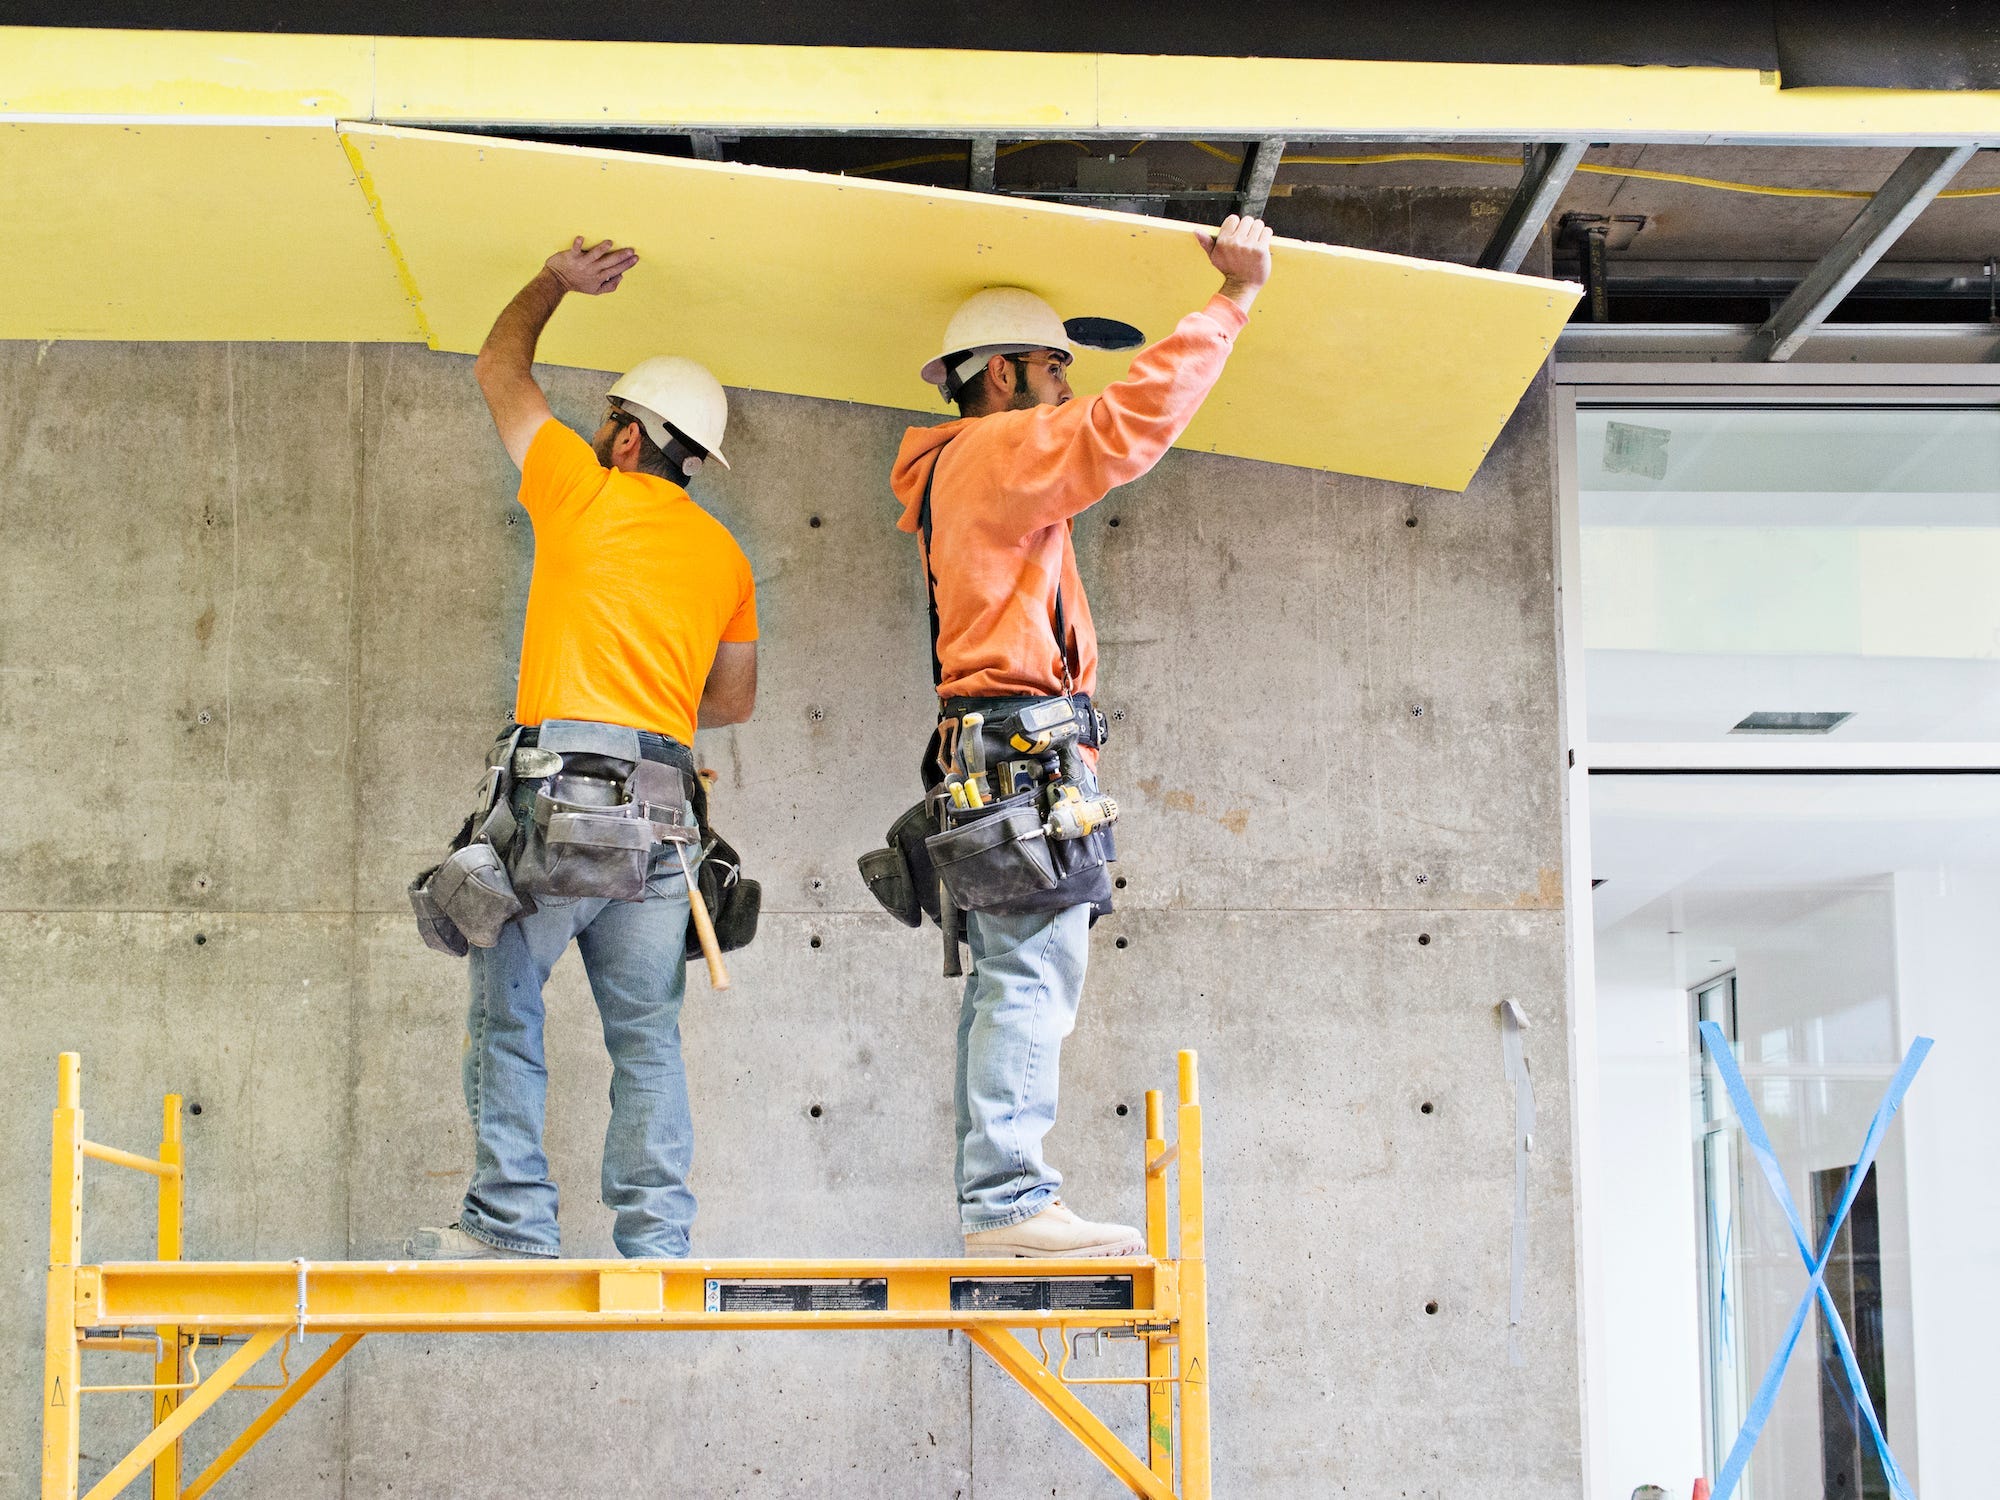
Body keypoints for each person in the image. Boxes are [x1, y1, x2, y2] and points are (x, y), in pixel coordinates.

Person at [890, 214, 1272, 1256]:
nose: (1063, 395)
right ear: (1008, 375)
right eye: (1054, 375)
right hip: (1019, 749)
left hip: (996, 751)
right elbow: (1127, 425)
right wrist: (1230, 300)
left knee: (1010, 979)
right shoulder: (1002, 449)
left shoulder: (954, 468)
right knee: (1027, 978)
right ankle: (1009, 1205)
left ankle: (997, 1199)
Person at [410, 237, 758, 1261]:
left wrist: (555, 281)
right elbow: (729, 703)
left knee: (509, 1006)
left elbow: (496, 368)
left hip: (560, 801)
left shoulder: (576, 487)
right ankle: (656, 1241)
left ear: (621, 438)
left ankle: (513, 1224)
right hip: (662, 817)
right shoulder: (723, 554)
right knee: (645, 1035)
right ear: (689, 455)